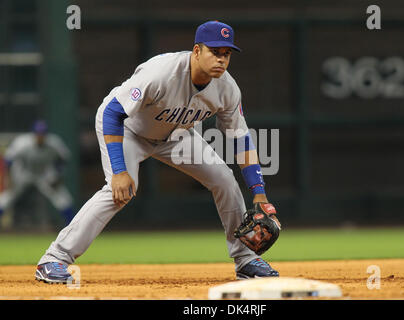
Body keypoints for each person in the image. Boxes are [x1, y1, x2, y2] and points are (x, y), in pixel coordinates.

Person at [35, 21, 281, 284]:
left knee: (224, 181)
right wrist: (119, 171)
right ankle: (54, 258)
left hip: (175, 135)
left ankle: (245, 260)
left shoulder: (227, 89)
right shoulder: (162, 73)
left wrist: (259, 192)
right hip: (127, 130)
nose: (221, 59)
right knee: (119, 192)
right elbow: (112, 114)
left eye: (227, 54)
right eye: (215, 51)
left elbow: (241, 139)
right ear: (197, 51)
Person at [0, 120, 75, 228]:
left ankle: (72, 227)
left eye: (43, 134)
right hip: (23, 173)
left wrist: (58, 176)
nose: (40, 136)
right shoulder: (22, 143)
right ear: (33, 134)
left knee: (63, 198)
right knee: (6, 198)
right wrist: (9, 178)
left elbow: (63, 159)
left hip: (44, 174)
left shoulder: (54, 143)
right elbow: (8, 160)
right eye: (38, 133)